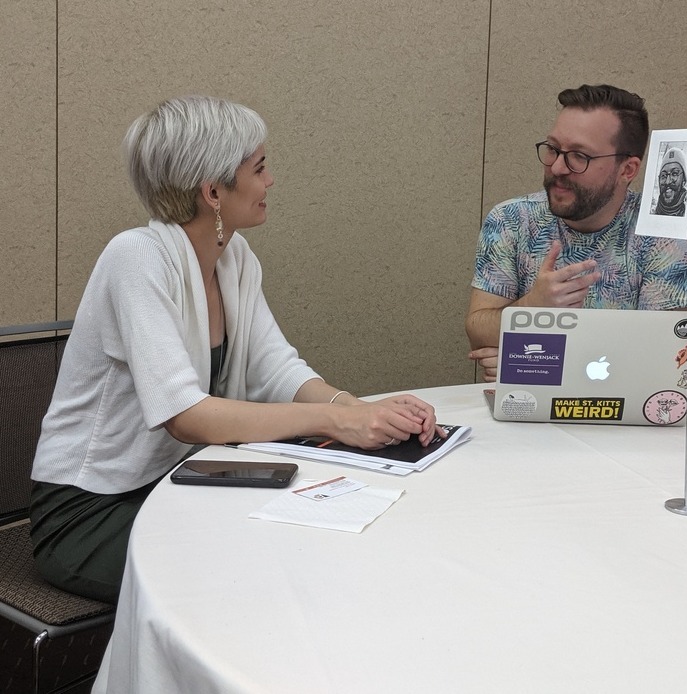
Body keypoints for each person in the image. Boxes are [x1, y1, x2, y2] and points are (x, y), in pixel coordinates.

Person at [29, 96, 444, 603]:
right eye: (259, 168)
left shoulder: (234, 257)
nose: (271, 181)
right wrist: (337, 421)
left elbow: (277, 369)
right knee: (264, 572)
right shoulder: (135, 257)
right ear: (213, 191)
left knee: (318, 533)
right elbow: (185, 416)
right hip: (91, 512)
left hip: (180, 485)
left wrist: (366, 412)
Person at [465, 84, 687, 381]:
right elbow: (478, 332)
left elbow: (665, 359)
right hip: (525, 404)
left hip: (628, 410)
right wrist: (533, 306)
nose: (558, 167)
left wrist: (532, 360)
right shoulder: (511, 220)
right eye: (553, 149)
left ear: (627, 170)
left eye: (579, 156)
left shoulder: (662, 235)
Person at [654, 146, 687, 216]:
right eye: (663, 175)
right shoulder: (650, 212)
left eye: (674, 174)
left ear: (684, 180)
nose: (667, 182)